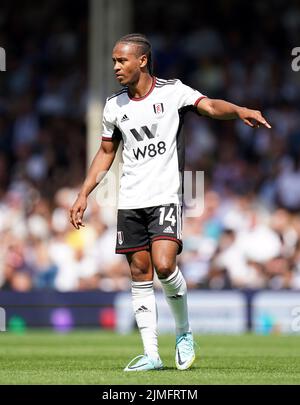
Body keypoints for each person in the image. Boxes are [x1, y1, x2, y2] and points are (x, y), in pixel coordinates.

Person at [69, 33, 271, 371]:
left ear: (142, 61)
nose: (117, 66)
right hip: (130, 198)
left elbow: (209, 106)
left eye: (123, 60)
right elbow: (106, 153)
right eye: (115, 61)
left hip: (164, 195)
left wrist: (237, 110)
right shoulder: (113, 106)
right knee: (139, 271)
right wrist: (83, 193)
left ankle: (183, 332)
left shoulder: (173, 91)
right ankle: (151, 353)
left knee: (164, 265)